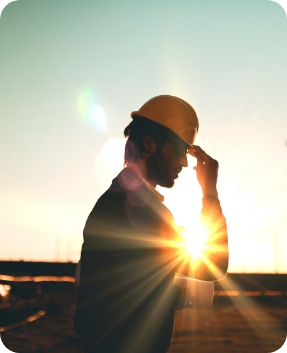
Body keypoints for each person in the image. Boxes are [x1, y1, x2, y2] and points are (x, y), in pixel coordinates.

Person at [74, 95, 229, 353]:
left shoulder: (120, 202)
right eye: (180, 152)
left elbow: (132, 284)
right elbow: (215, 264)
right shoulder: (140, 211)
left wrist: (172, 293)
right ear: (150, 143)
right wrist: (209, 192)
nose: (183, 163)